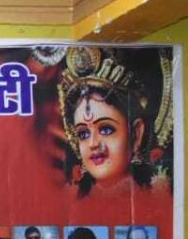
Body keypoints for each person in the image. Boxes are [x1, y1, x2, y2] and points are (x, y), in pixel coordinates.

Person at [57, 46, 172, 198]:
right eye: (83, 134)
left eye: (106, 129)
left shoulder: (159, 199)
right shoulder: (69, 202)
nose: (93, 144)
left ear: (136, 133)